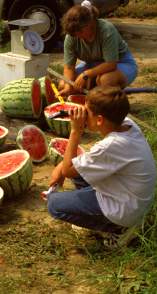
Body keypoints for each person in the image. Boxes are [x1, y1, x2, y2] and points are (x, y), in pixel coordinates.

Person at [47, 86, 156, 249]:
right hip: (133, 200)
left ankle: (119, 228)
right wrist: (62, 167)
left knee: (55, 205)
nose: (82, 113)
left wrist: (75, 131)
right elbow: (77, 163)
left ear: (99, 120)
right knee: (78, 170)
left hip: (126, 210)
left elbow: (68, 169)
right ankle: (107, 221)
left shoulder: (111, 146)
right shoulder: (127, 124)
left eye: (87, 111)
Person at [57, 1, 139, 98]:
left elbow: (111, 64)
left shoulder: (106, 30)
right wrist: (68, 87)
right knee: (62, 85)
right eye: (74, 34)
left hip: (120, 62)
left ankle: (114, 101)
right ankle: (96, 95)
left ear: (90, 23)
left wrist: (86, 74)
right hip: (92, 65)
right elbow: (69, 67)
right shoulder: (73, 36)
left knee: (105, 80)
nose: (77, 36)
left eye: (80, 32)